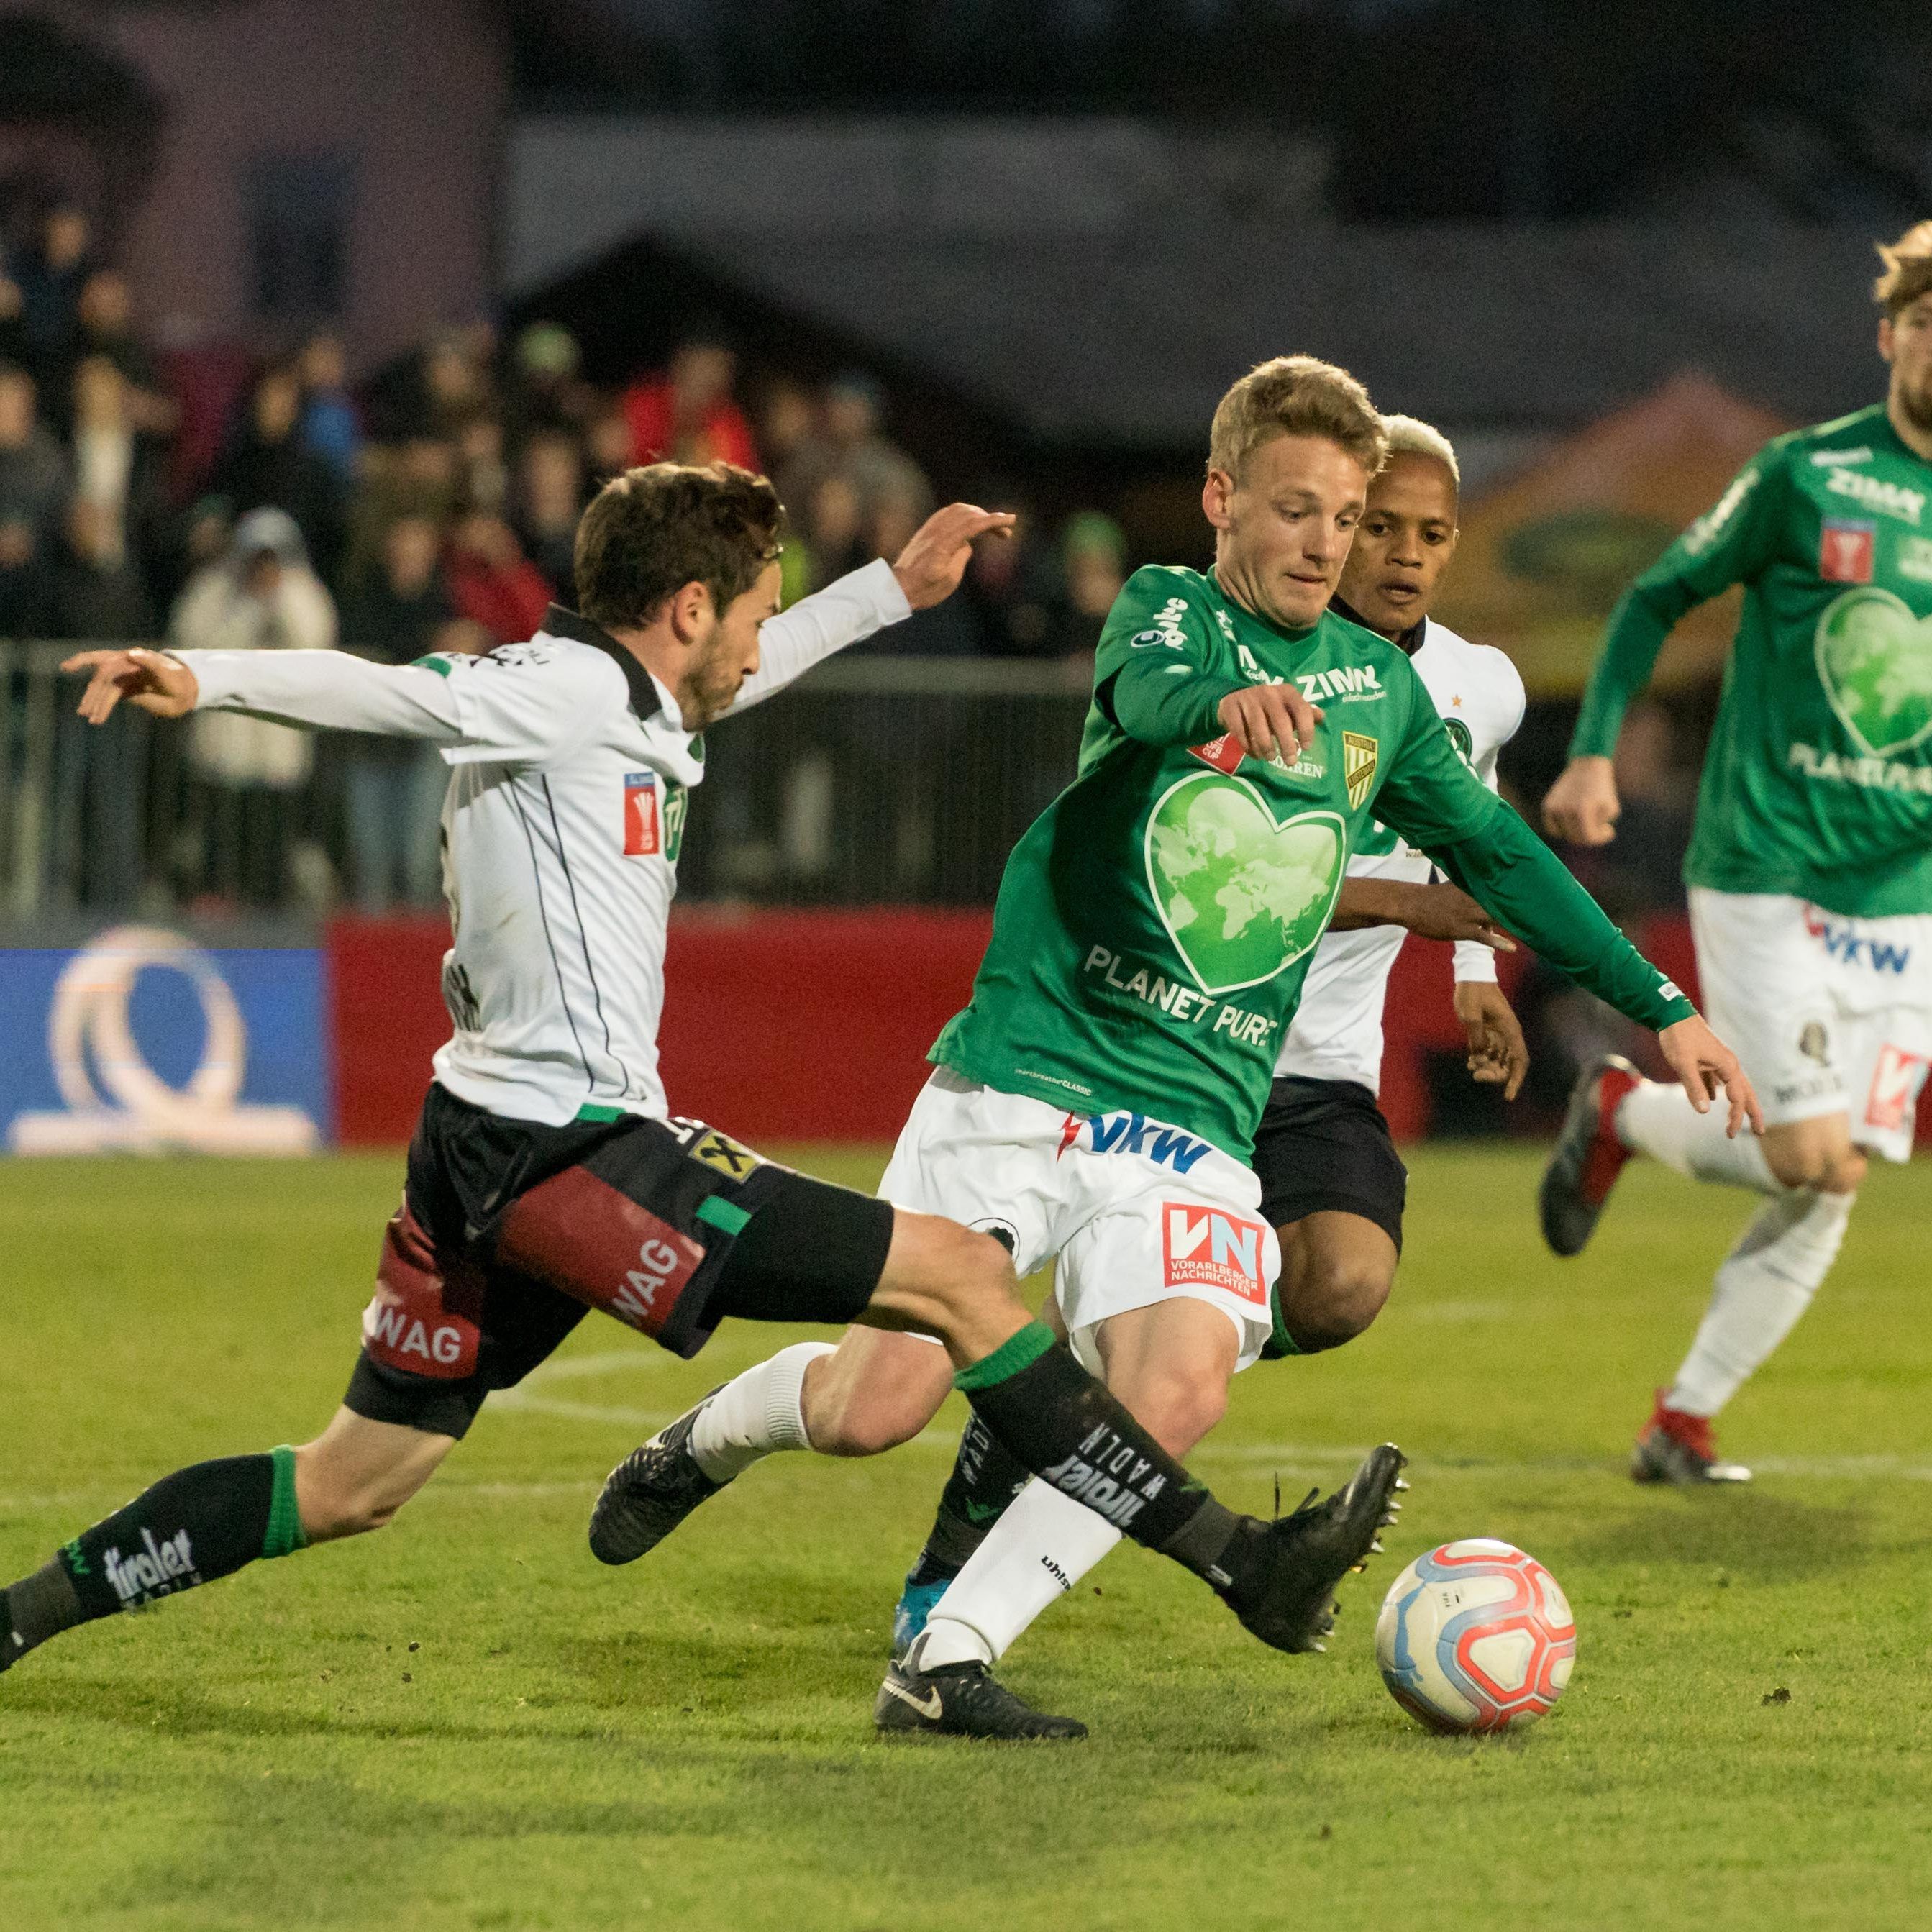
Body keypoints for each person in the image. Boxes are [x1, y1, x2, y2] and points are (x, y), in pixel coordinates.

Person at [8, 468, 1392, 1686]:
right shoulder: (551, 693)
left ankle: (18, 1617)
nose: (750, 641)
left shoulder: (631, 697)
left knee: (353, 1478)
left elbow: (753, 664)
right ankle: (1236, 1562)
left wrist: (885, 594)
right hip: (576, 1155)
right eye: (745, 611)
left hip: (484, 1142)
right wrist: (201, 676)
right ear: (683, 608)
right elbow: (396, 691)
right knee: (962, 1285)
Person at [585, 358, 1759, 1741]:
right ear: (1222, 501)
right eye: (1296, 509)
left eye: (1346, 515)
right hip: (1029, 1074)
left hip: (1193, 1114)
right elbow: (1150, 697)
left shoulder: (1380, 692)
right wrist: (1219, 708)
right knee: (872, 1405)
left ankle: (944, 1658)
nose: (1328, 542)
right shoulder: (1163, 614)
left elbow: (1503, 857)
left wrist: (1658, 1002)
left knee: (1181, 1384)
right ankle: (710, 1435)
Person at [876, 414, 1531, 1685]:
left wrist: (1471, 969)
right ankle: (1001, 1512)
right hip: (1178, 1043)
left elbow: (1476, 818)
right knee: (929, 1386)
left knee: (1342, 1284)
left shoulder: (1475, 684)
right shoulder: (1241, 657)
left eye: (1426, 534)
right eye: (1368, 524)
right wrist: (1413, 910)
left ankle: (1056, 1396)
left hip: (1317, 1062)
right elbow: (1233, 868)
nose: (1394, 555)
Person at [1539, 219, 1932, 1485]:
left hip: (1908, 894)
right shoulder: (1804, 475)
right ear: (1888, 336)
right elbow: (1657, 593)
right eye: (1927, 323)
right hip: (1768, 867)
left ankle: (1682, 1421)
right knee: (1810, 1154)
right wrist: (1595, 751)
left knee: (1835, 1179)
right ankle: (1626, 1108)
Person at [170, 509, 337, 907]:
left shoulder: (302, 592)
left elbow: (317, 642)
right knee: (221, 827)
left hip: (276, 735)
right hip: (226, 735)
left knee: (273, 827)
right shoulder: (214, 588)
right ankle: (216, 899)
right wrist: (246, 607)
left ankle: (270, 904)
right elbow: (190, 639)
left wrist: (275, 601)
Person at [335, 514, 479, 911]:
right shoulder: (364, 598)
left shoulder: (446, 599)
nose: (408, 559)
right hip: (370, 743)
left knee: (420, 860)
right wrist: (426, 648)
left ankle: (418, 961)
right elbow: (358, 655)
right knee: (373, 865)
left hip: (425, 744)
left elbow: (472, 640)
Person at [621, 335, 757, 471]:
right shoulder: (645, 403)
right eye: (704, 364)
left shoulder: (729, 424)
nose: (711, 376)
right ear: (681, 362)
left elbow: (740, 478)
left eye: (721, 366)